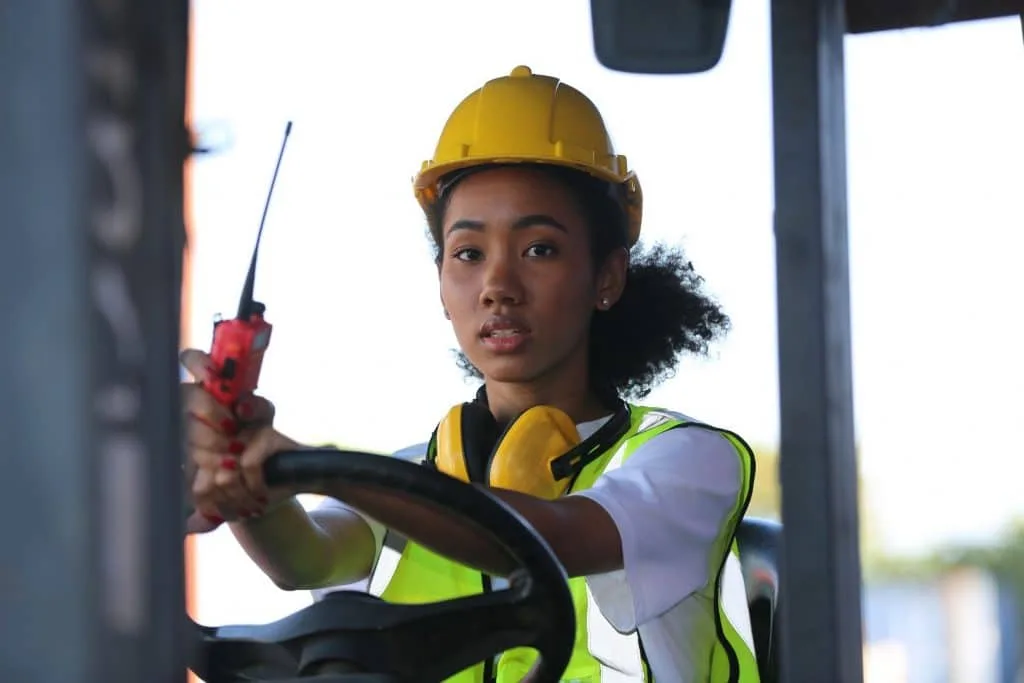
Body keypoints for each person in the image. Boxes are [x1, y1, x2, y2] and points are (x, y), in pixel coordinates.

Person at [183, 65, 760, 683]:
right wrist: (242, 474)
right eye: (468, 253)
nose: (497, 287)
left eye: (539, 249)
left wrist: (315, 464)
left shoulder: (691, 462)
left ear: (607, 278)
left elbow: (554, 536)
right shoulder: (411, 473)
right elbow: (304, 559)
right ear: (441, 284)